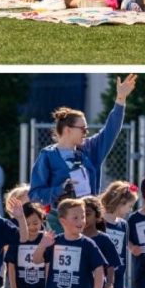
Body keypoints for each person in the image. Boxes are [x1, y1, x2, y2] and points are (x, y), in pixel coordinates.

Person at [28, 78, 136, 217]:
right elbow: (35, 195)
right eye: (83, 129)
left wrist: (120, 99)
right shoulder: (47, 156)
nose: (86, 133)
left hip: (89, 218)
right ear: (68, 130)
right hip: (61, 221)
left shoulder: (88, 149)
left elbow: (110, 131)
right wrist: (60, 189)